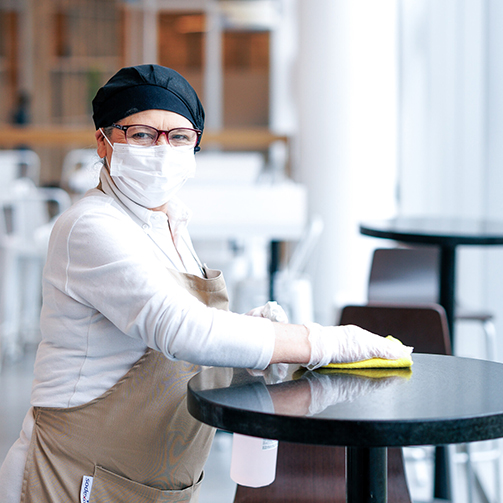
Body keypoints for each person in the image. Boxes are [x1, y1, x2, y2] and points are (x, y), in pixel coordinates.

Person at [0, 64, 411, 502]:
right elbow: (180, 329)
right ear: (104, 142)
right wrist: (324, 341)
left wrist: (246, 359)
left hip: (153, 481)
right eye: (141, 134)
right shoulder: (89, 226)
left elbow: (170, 361)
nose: (161, 149)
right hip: (75, 476)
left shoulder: (171, 223)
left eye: (178, 136)